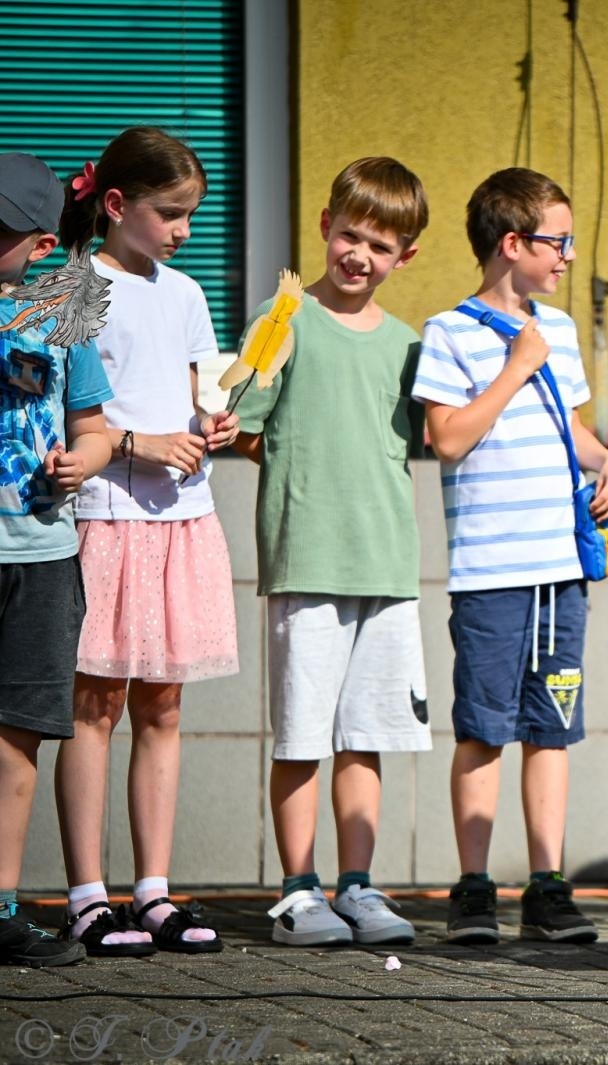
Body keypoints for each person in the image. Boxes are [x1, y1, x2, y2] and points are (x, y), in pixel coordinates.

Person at [413, 168, 608, 946]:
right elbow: (449, 437)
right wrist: (515, 366)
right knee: (482, 728)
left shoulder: (559, 331)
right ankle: (472, 887)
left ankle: (547, 882)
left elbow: (574, 430)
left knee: (553, 727)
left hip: (559, 572)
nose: (567, 255)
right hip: (491, 573)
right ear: (513, 243)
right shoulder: (449, 332)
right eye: (556, 241)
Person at [233, 157, 432, 947]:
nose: (359, 255)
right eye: (349, 234)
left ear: (404, 257)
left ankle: (357, 884)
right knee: (302, 733)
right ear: (323, 226)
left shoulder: (410, 344)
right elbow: (246, 426)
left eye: (380, 246)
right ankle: (297, 889)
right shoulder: (282, 317)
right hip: (308, 557)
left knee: (367, 731)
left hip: (386, 563)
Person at [53, 127, 239, 958]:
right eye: (171, 213)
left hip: (181, 517)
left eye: (192, 215)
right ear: (118, 204)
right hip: (105, 512)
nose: (183, 231)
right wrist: (140, 443)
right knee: (95, 703)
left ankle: (153, 889)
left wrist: (214, 423)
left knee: (163, 703)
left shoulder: (187, 291)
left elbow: (203, 387)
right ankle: (88, 893)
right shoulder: (73, 284)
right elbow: (64, 407)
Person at [0, 150, 112, 966]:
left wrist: (87, 460)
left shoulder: (62, 314)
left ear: (40, 245)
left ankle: (1, 903)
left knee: (18, 736)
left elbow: (94, 425)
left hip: (41, 553)